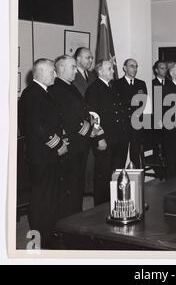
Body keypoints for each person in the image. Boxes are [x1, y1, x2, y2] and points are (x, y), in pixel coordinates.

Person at [19, 58, 68, 248]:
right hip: (41, 155)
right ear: (39, 72)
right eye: (51, 71)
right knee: (41, 197)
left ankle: (49, 232)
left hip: (48, 154)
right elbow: (37, 127)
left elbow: (50, 122)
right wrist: (58, 145)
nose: (54, 74)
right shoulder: (32, 93)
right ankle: (41, 237)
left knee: (49, 195)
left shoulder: (43, 92)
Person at [49, 55, 93, 218]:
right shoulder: (57, 88)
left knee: (77, 185)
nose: (76, 70)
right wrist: (89, 132)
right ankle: (70, 220)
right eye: (73, 67)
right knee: (70, 186)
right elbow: (70, 120)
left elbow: (83, 111)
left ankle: (76, 216)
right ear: (60, 68)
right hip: (72, 144)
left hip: (80, 143)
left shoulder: (70, 86)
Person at [85, 60, 126, 206]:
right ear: (100, 71)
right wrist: (99, 139)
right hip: (106, 139)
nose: (113, 71)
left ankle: (115, 202)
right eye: (109, 69)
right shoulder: (94, 89)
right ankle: (101, 206)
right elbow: (93, 117)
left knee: (117, 173)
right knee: (103, 175)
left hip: (119, 138)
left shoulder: (112, 86)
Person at [113, 58, 148, 168]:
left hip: (137, 125)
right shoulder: (116, 84)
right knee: (120, 156)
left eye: (136, 66)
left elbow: (144, 105)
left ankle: (137, 183)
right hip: (123, 126)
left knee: (136, 156)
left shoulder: (141, 84)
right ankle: (120, 182)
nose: (135, 69)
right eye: (132, 66)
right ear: (124, 68)